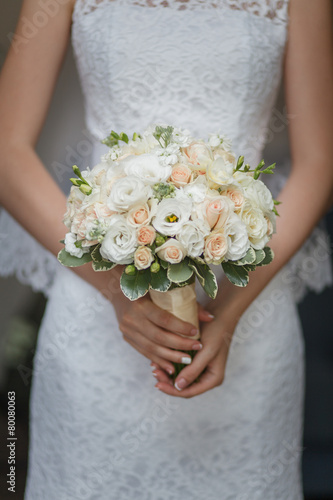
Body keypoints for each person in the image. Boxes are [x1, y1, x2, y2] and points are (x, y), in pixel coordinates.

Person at [0, 0, 333, 498]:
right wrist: (118, 291)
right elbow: (7, 150)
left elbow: (319, 161)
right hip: (93, 324)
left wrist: (227, 312)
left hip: (249, 316)